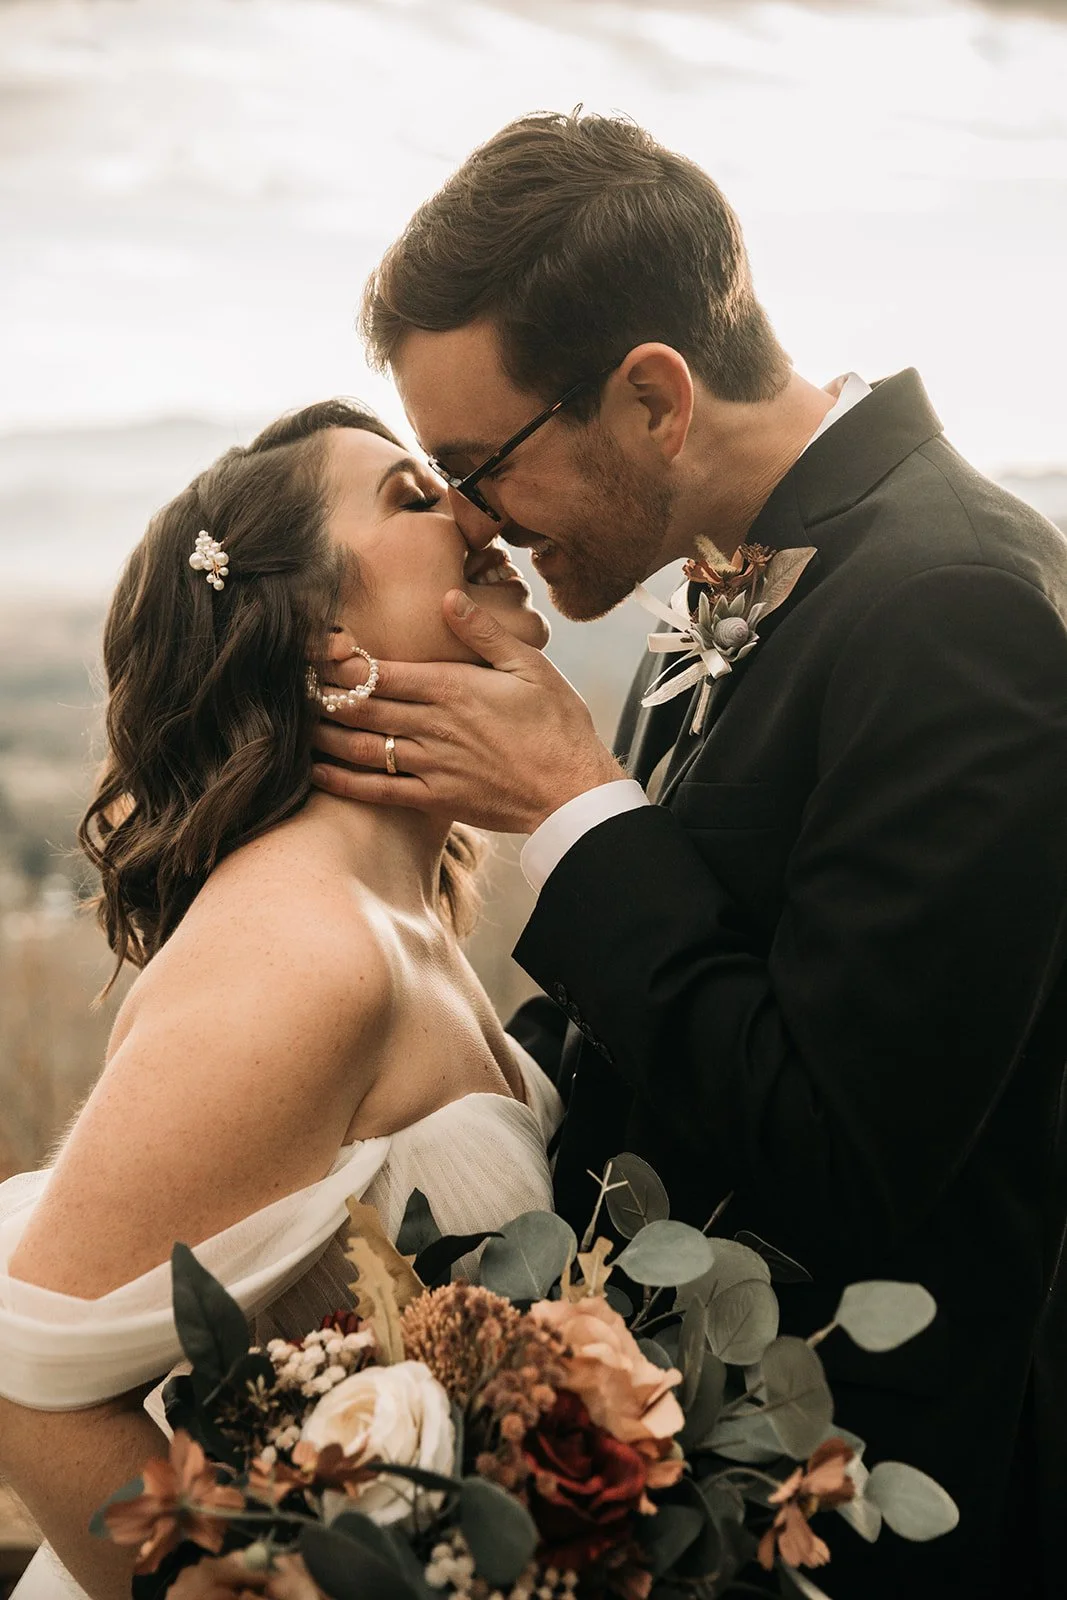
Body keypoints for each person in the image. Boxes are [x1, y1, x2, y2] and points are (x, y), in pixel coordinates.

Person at [310, 113, 1067, 1596]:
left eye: (481, 461)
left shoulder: (955, 608)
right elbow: (670, 1000)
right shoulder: (711, 580)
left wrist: (576, 809)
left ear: (652, 398)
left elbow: (844, 1152)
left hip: (864, 1507)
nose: (470, 518)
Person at [0, 399, 562, 1600]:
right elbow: (29, 1379)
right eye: (413, 497)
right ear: (318, 640)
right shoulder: (301, 940)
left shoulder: (397, 913)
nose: (472, 509)